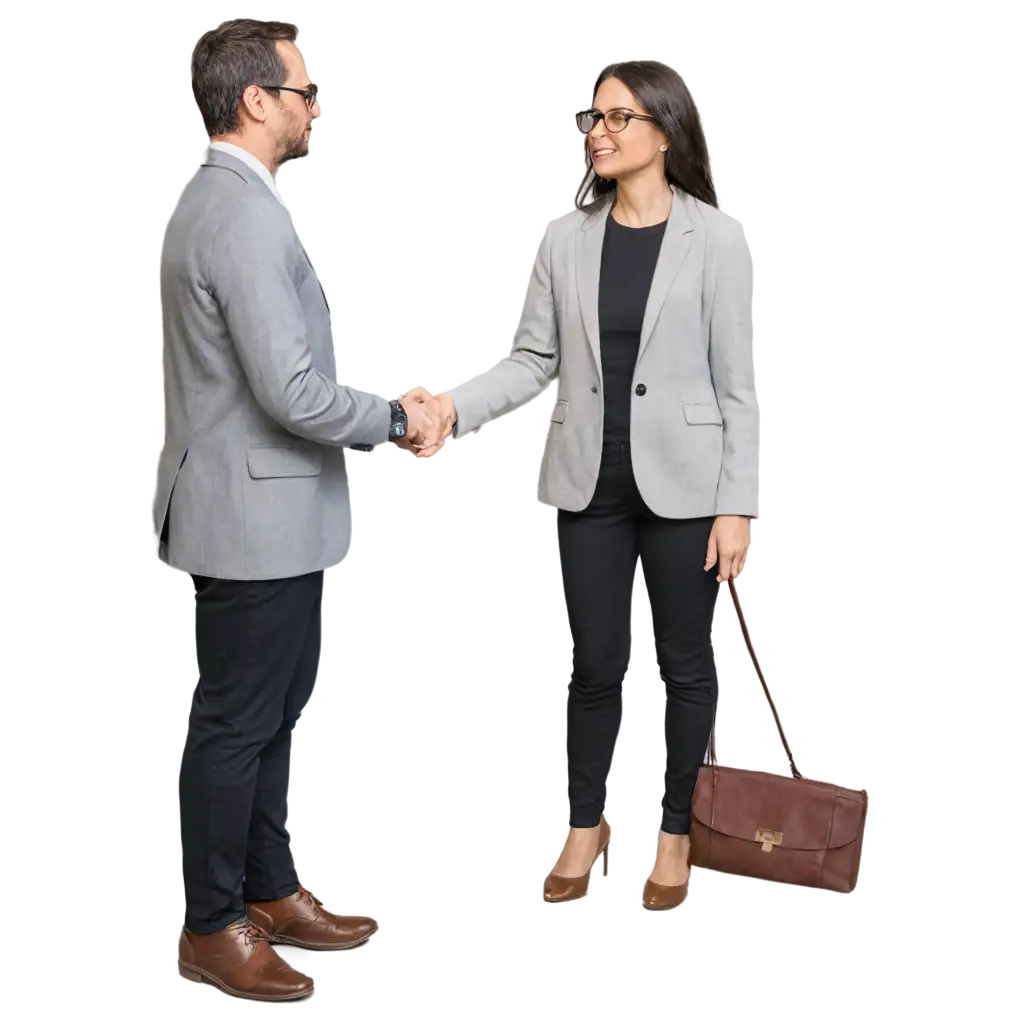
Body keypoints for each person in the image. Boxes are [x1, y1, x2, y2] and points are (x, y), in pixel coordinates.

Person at [407, 60, 758, 911]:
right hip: (587, 483)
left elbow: (739, 381)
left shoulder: (719, 236)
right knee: (593, 664)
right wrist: (453, 405)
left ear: (663, 131)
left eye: (616, 117)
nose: (596, 131)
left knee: (683, 668)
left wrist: (737, 502)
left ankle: (672, 835)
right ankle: (583, 825)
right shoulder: (562, 239)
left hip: (686, 487)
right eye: (590, 117)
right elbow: (532, 357)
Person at [156, 18, 442, 1002]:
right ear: (256, 101)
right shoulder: (241, 215)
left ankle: (269, 890)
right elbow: (291, 392)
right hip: (251, 519)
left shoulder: (220, 201)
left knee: (272, 721)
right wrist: (397, 416)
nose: (317, 108)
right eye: (307, 91)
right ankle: (211, 923)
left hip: (267, 512)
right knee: (236, 728)